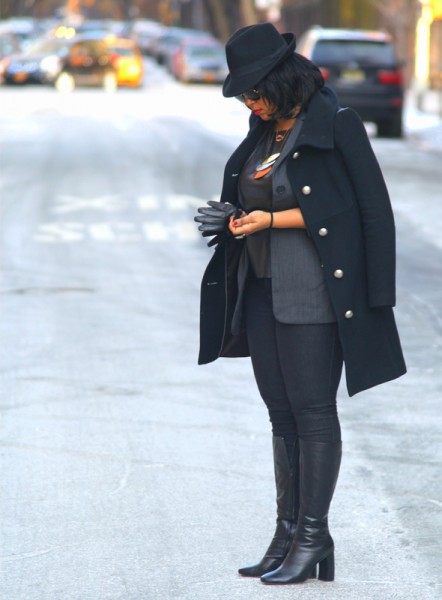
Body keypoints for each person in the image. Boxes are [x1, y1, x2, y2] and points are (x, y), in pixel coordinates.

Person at [195, 22, 406, 585]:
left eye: (255, 91)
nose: (250, 101)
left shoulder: (335, 124)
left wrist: (377, 296)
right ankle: (288, 533)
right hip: (260, 287)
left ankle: (313, 535)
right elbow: (253, 193)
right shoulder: (262, 130)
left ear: (282, 79)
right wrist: (233, 216)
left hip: (316, 292)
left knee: (313, 412)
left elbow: (367, 213)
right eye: (243, 95)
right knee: (280, 412)